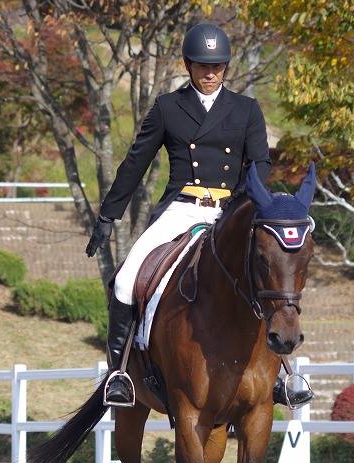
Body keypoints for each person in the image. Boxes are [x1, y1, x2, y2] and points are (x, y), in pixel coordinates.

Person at [85, 22, 315, 409]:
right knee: (125, 281)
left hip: (232, 212)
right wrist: (109, 215)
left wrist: (252, 206)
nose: (210, 74)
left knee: (272, 277)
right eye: (203, 66)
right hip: (182, 207)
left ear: (226, 67)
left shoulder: (246, 109)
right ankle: (120, 375)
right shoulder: (168, 108)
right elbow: (135, 163)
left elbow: (260, 164)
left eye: (218, 67)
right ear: (189, 65)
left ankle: (281, 376)